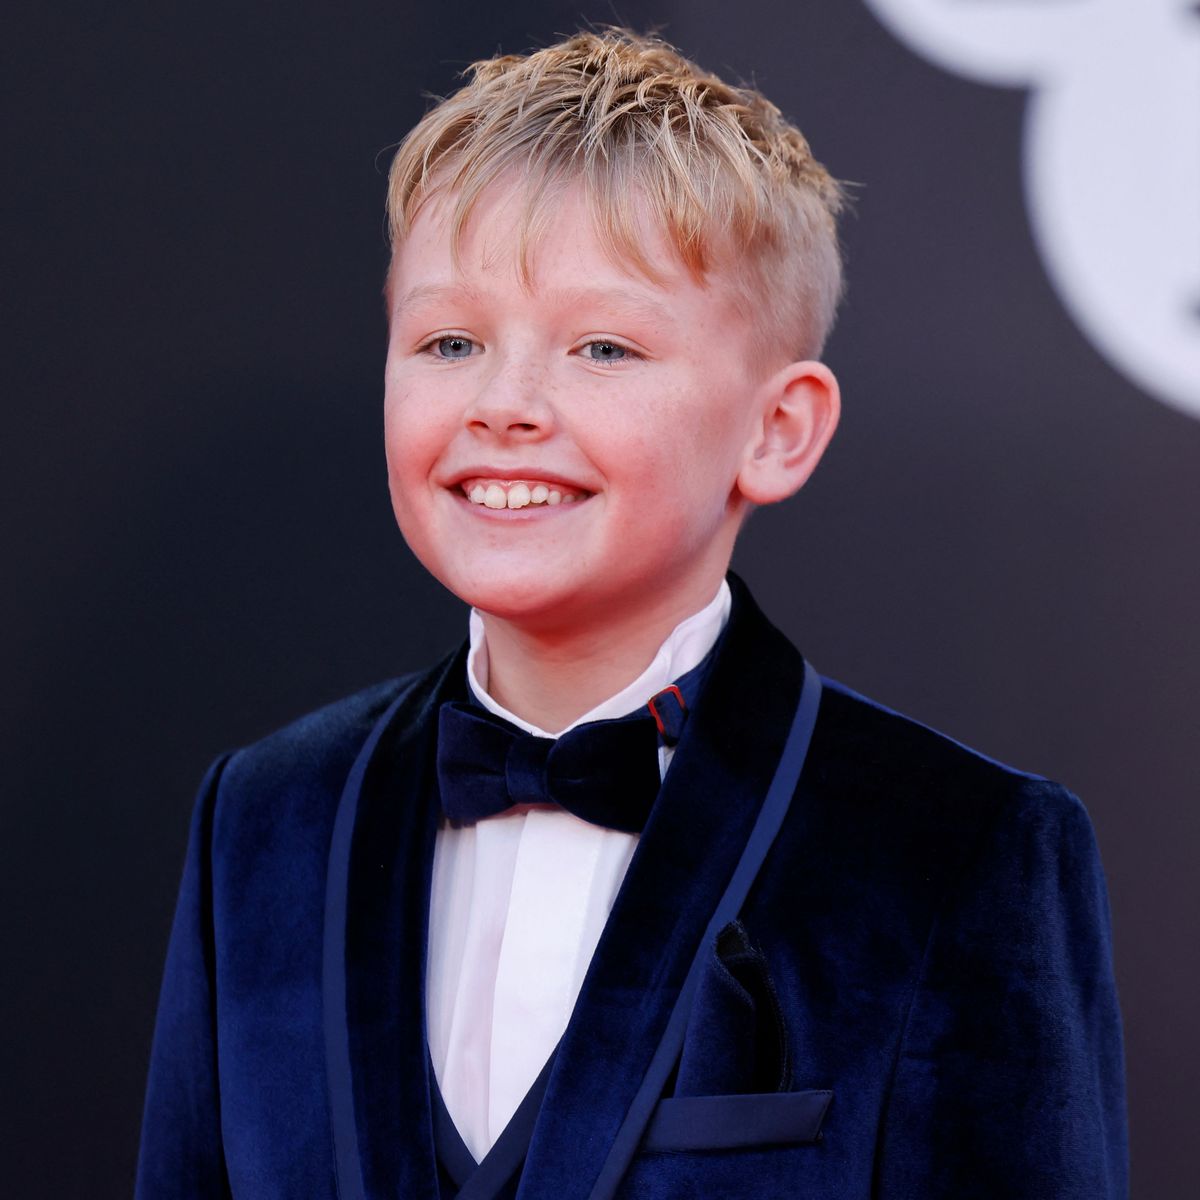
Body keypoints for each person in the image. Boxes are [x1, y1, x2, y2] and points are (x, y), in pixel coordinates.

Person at [135, 28, 1127, 1200]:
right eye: (451, 341)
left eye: (603, 348)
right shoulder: (264, 817)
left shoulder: (959, 849)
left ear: (778, 430)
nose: (505, 404)